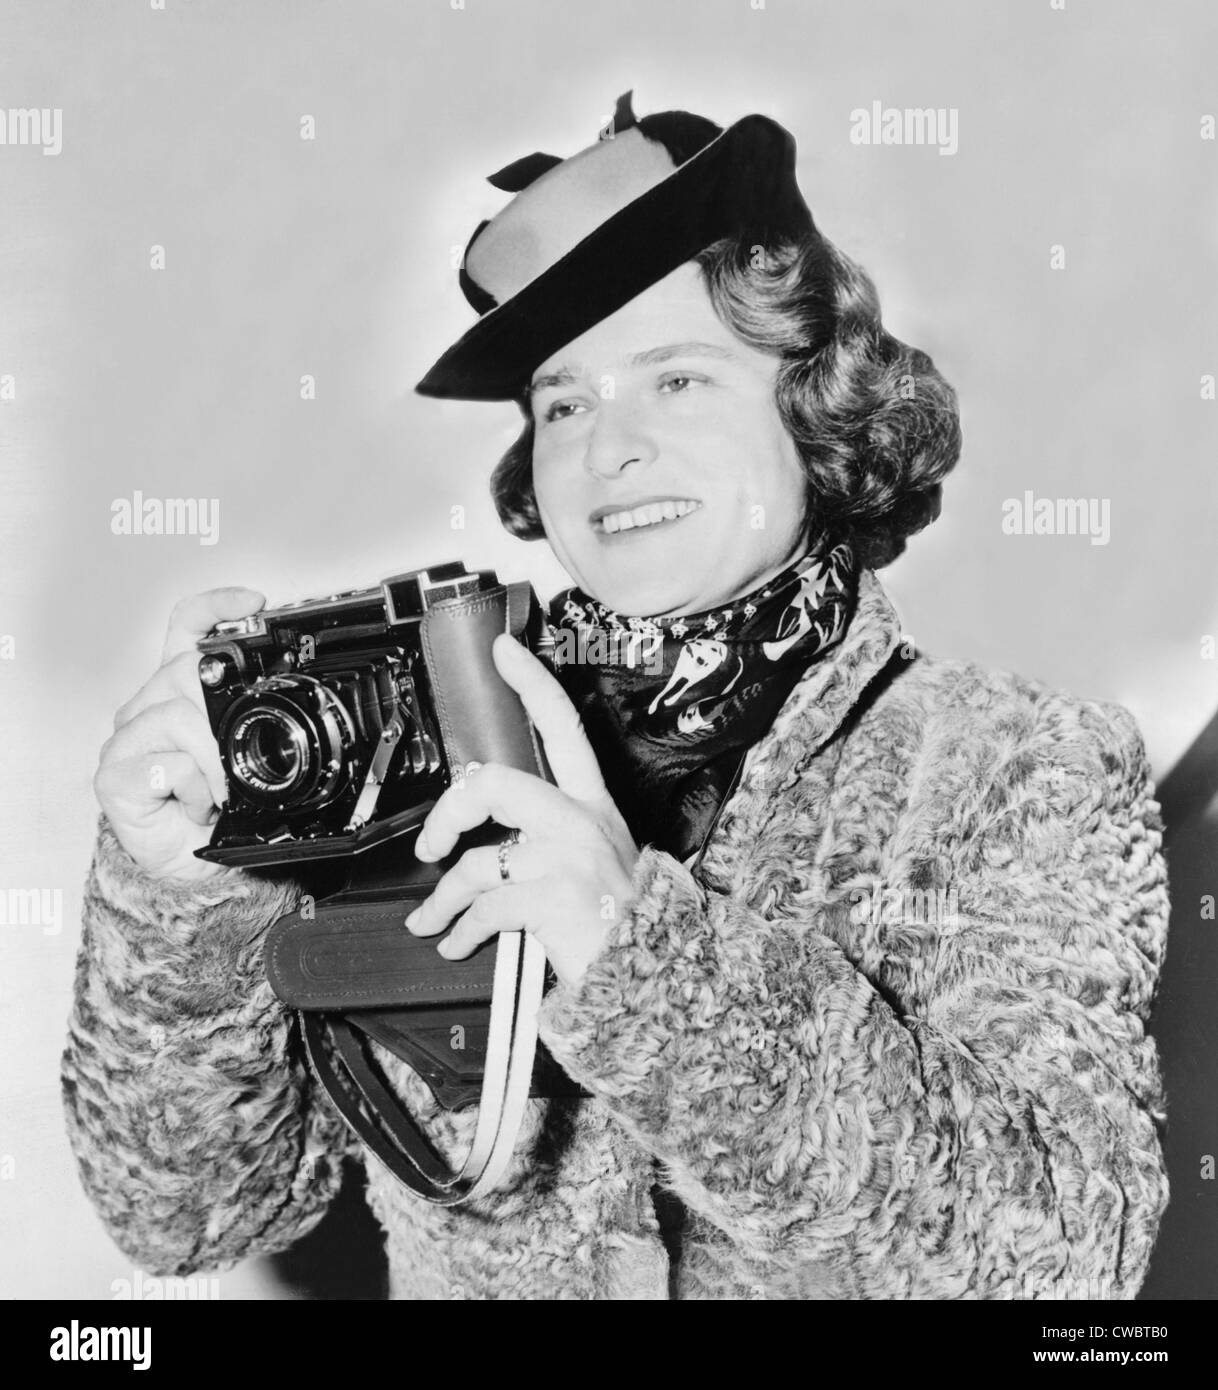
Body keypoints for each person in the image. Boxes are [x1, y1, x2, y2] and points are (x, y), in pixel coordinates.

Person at [63, 94, 1170, 1300]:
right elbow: (187, 1220)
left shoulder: (1015, 762)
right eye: (564, 402)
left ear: (814, 405)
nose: (609, 447)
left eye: (678, 380)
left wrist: (641, 956)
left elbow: (1063, 1257)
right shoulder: (418, 725)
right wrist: (179, 894)